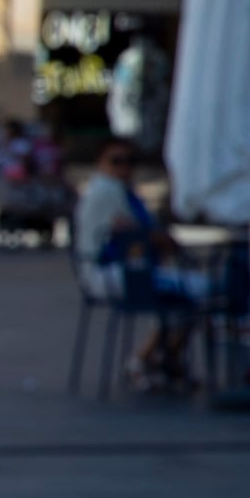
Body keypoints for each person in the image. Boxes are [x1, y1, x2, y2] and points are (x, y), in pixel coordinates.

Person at [72, 136, 196, 389]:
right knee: (192, 292)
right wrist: (162, 241)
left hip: (122, 271)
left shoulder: (121, 191)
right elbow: (137, 234)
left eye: (130, 161)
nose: (124, 167)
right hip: (110, 273)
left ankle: (157, 359)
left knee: (185, 297)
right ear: (101, 162)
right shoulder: (107, 190)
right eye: (116, 161)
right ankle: (146, 360)